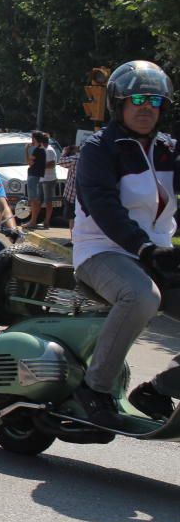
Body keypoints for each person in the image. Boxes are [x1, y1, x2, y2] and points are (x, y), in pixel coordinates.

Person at [70, 60, 180, 428]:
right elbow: (104, 207)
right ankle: (94, 389)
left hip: (157, 252)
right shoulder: (100, 149)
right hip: (102, 250)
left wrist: (156, 250)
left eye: (154, 100)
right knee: (142, 296)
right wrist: (144, 249)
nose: (146, 107)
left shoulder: (169, 150)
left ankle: (159, 390)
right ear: (118, 102)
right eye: (136, 98)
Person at [24, 131, 47, 228]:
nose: (31, 140)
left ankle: (32, 221)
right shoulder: (42, 150)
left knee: (33, 200)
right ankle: (33, 221)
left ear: (36, 139)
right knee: (36, 200)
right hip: (38, 176)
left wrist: (26, 149)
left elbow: (29, 162)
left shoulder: (37, 150)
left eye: (32, 138)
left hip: (33, 176)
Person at [57, 144, 80, 235]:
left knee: (72, 218)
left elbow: (61, 162)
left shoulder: (75, 159)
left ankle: (73, 239)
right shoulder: (92, 159)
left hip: (72, 193)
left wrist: (64, 152)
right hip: (84, 194)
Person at [40, 132, 58, 228]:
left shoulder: (49, 150)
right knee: (40, 200)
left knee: (48, 202)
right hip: (43, 178)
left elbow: (52, 164)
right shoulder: (44, 149)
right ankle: (39, 220)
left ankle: (47, 222)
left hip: (49, 179)